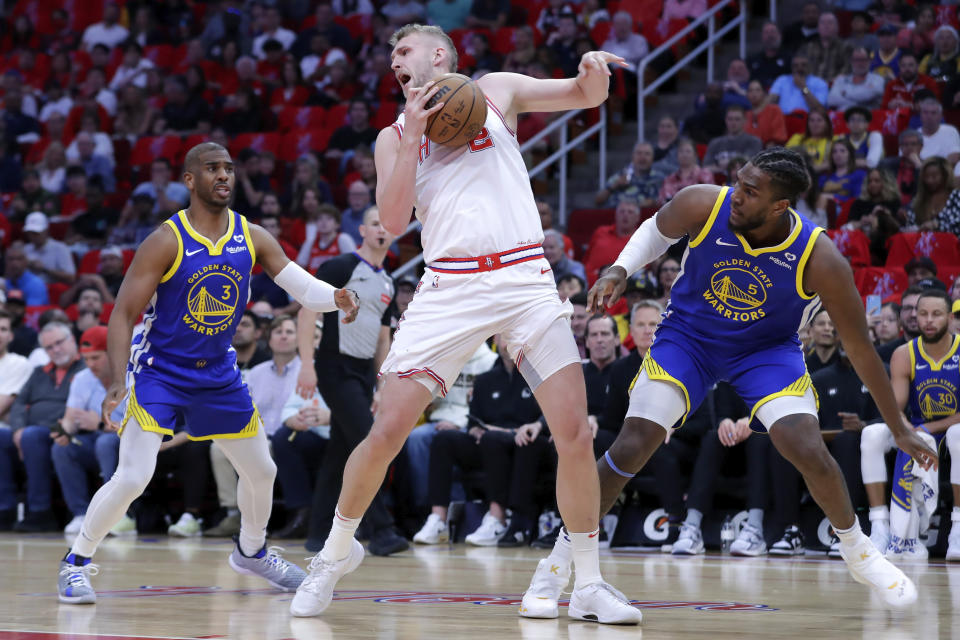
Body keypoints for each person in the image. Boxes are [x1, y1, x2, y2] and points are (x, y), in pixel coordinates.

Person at [290, 24, 640, 625]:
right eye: (392, 56)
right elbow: (395, 218)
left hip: (524, 277)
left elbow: (584, 97)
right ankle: (335, 553)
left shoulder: (496, 89)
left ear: (441, 56)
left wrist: (590, 73)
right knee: (384, 433)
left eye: (404, 51)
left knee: (574, 433)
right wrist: (417, 130)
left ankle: (586, 582)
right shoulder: (392, 136)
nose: (395, 61)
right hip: (449, 285)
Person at [543, 148, 937, 613]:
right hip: (689, 337)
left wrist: (898, 428)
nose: (737, 195)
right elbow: (655, 230)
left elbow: (861, 349)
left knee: (805, 445)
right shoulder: (704, 203)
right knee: (633, 443)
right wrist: (619, 269)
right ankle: (558, 564)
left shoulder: (820, 258)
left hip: (766, 351)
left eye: (751, 191)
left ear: (779, 207)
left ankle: (857, 549)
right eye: (739, 181)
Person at [55, 142, 360, 605]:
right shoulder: (165, 240)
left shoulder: (251, 234)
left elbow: (296, 281)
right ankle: (75, 563)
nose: (224, 175)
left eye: (229, 169)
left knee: (262, 470)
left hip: (218, 372)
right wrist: (118, 380)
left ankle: (252, 552)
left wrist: (334, 296)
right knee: (135, 475)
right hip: (162, 371)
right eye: (212, 168)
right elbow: (122, 314)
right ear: (190, 179)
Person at [295, 206, 408, 556]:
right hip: (334, 366)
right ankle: (382, 530)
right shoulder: (342, 266)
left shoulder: (387, 280)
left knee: (340, 453)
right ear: (362, 230)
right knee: (370, 443)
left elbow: (383, 338)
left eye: (385, 226)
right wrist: (307, 365)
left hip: (361, 373)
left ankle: (318, 535)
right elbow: (307, 309)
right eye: (375, 223)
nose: (380, 230)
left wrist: (382, 383)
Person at [859, 289, 960, 561]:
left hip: (949, 429)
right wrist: (904, 431)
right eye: (922, 313)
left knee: (958, 434)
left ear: (950, 318)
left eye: (936, 314)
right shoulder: (904, 354)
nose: (928, 320)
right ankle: (880, 527)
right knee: (871, 434)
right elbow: (895, 408)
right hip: (914, 427)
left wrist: (927, 429)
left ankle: (958, 529)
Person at [0, 322, 86, 532]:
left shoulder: (86, 368)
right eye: (49, 347)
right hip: (31, 431)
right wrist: (18, 429)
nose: (55, 350)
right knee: (3, 436)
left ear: (72, 340)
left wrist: (27, 432)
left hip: (70, 431)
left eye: (59, 343)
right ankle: (6, 508)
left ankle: (40, 511)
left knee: (32, 437)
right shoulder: (39, 372)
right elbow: (19, 403)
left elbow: (77, 409)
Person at [595, 141, 666, 208]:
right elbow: (598, 200)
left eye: (647, 154)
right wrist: (614, 186)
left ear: (652, 158)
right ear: (632, 156)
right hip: (612, 215)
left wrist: (633, 206)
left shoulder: (659, 179)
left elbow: (661, 203)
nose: (642, 157)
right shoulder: (619, 176)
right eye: (639, 153)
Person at [702, 105, 762, 176]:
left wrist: (724, 165)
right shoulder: (715, 143)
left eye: (737, 119)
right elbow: (705, 168)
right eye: (730, 119)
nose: (733, 122)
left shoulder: (754, 141)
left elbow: (750, 166)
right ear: (725, 120)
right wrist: (730, 167)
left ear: (745, 120)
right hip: (717, 185)